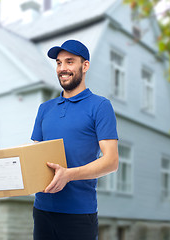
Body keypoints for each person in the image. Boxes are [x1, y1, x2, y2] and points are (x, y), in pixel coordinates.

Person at [31, 39, 119, 240]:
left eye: (70, 62)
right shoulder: (45, 108)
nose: (62, 68)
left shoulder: (100, 106)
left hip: (78, 213)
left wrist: (68, 175)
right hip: (42, 210)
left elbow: (111, 161)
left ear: (85, 65)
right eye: (59, 63)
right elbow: (35, 157)